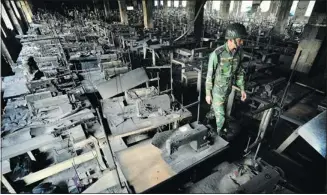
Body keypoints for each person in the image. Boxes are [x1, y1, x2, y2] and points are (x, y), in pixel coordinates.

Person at [205, 23, 248, 136]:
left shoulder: (239, 54)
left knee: (217, 110)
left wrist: (242, 89)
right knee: (222, 116)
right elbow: (209, 75)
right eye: (240, 40)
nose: (242, 42)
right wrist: (208, 93)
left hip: (227, 90)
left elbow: (239, 73)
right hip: (217, 91)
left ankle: (209, 118)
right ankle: (220, 136)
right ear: (231, 39)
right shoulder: (217, 54)